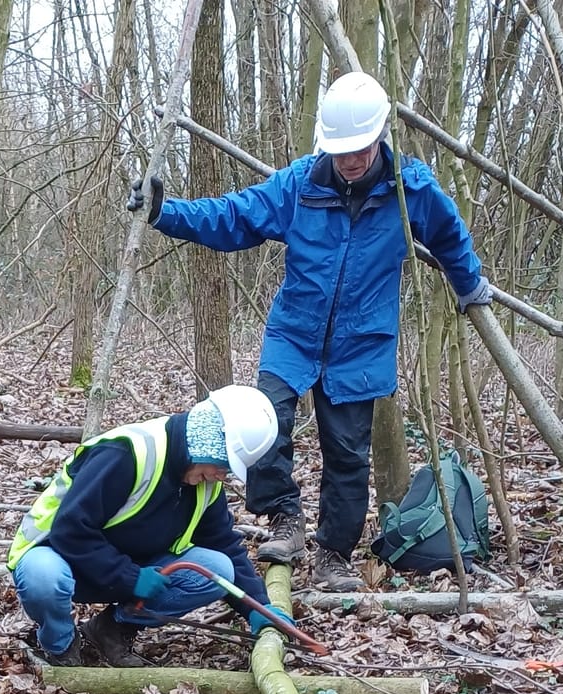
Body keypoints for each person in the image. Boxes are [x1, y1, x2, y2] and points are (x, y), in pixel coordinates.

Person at [129, 71, 493, 589]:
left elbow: (450, 237)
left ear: (379, 137)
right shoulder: (299, 185)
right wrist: (164, 213)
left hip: (362, 344)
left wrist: (469, 284)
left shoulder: (410, 191)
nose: (350, 161)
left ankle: (333, 556)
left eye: (360, 150)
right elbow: (234, 217)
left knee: (347, 454)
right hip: (294, 334)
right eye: (341, 151)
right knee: (264, 422)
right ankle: (284, 516)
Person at [8, 385, 280, 667]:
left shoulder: (204, 481)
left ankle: (110, 631)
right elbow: (71, 529)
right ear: (207, 442)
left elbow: (224, 544)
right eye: (223, 465)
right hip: (60, 557)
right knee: (43, 577)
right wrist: (129, 576)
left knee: (218, 569)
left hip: (129, 572)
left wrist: (258, 607)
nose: (221, 476)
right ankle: (60, 646)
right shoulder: (127, 453)